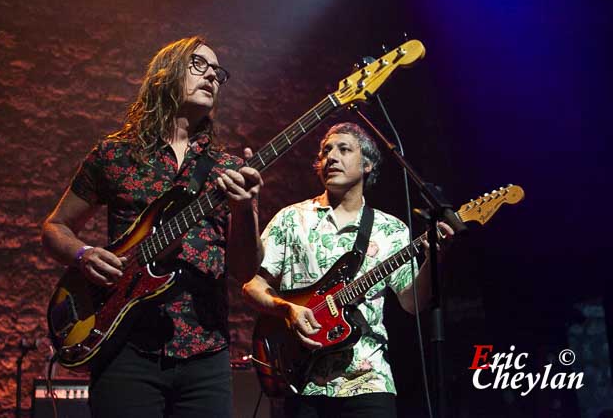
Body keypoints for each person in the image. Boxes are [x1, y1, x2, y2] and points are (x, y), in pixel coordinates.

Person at [41, 36, 263, 418]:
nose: (211, 74)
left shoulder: (228, 169)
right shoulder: (114, 154)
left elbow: (245, 271)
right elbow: (55, 227)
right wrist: (83, 255)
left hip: (205, 353)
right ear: (164, 75)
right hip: (125, 347)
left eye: (217, 71)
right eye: (198, 64)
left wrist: (246, 210)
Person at [242, 122, 454, 417]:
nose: (331, 157)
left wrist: (435, 261)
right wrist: (286, 310)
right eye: (326, 150)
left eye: (344, 149)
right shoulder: (291, 219)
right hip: (303, 382)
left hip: (369, 381)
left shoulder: (390, 229)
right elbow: (251, 286)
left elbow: (412, 303)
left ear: (367, 164)